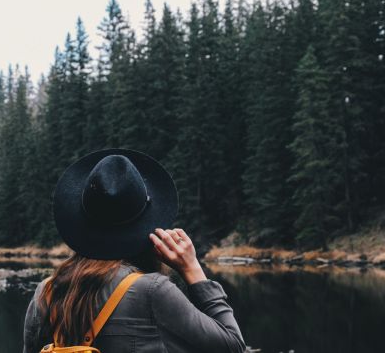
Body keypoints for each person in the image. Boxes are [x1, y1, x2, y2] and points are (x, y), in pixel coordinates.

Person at [23, 148, 246, 353]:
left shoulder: (47, 291)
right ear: (148, 224)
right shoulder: (152, 291)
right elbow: (232, 346)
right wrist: (192, 270)